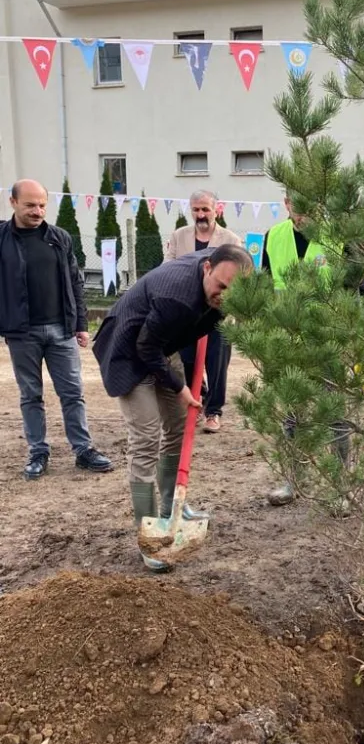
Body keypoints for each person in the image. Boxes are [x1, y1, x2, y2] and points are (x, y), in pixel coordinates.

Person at [93, 245, 253, 571]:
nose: (225, 295)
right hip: (129, 351)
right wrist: (179, 386)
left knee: (180, 425)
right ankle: (149, 533)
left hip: (162, 345)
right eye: (220, 286)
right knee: (146, 437)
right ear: (207, 268)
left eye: (233, 291)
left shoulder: (222, 279)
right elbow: (145, 346)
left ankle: (170, 506)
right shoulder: (176, 296)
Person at [0, 179, 113, 480]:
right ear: (12, 203)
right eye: (30, 205)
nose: (37, 211)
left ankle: (83, 450)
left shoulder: (59, 237)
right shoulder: (2, 237)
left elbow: (75, 281)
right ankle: (38, 451)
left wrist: (80, 324)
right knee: (30, 395)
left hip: (61, 330)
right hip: (21, 333)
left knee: (73, 393)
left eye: (41, 205)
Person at [262, 194, 349, 507]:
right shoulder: (274, 237)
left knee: (336, 413)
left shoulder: (338, 239)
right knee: (293, 414)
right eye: (299, 204)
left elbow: (351, 293)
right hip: (289, 340)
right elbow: (266, 288)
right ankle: (292, 481)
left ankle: (341, 489)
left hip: (327, 339)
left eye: (313, 202)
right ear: (286, 202)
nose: (306, 211)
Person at [165, 191, 242, 434]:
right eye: (196, 210)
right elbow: (168, 268)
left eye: (205, 210)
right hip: (187, 313)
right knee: (187, 360)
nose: (201, 215)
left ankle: (214, 412)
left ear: (216, 210)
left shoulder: (230, 239)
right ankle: (198, 398)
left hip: (218, 312)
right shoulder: (179, 237)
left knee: (217, 362)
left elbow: (237, 278)